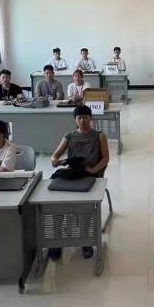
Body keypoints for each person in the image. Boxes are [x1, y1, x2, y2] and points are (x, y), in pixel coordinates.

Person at [49, 105, 110, 260]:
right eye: (79, 118)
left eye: (86, 117)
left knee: (85, 206)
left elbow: (105, 159)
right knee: (55, 204)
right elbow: (55, 155)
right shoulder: (69, 136)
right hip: (73, 174)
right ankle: (56, 239)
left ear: (91, 118)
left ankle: (85, 239)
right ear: (75, 120)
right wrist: (55, 160)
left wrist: (93, 169)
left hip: (90, 175)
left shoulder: (99, 136)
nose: (83, 121)